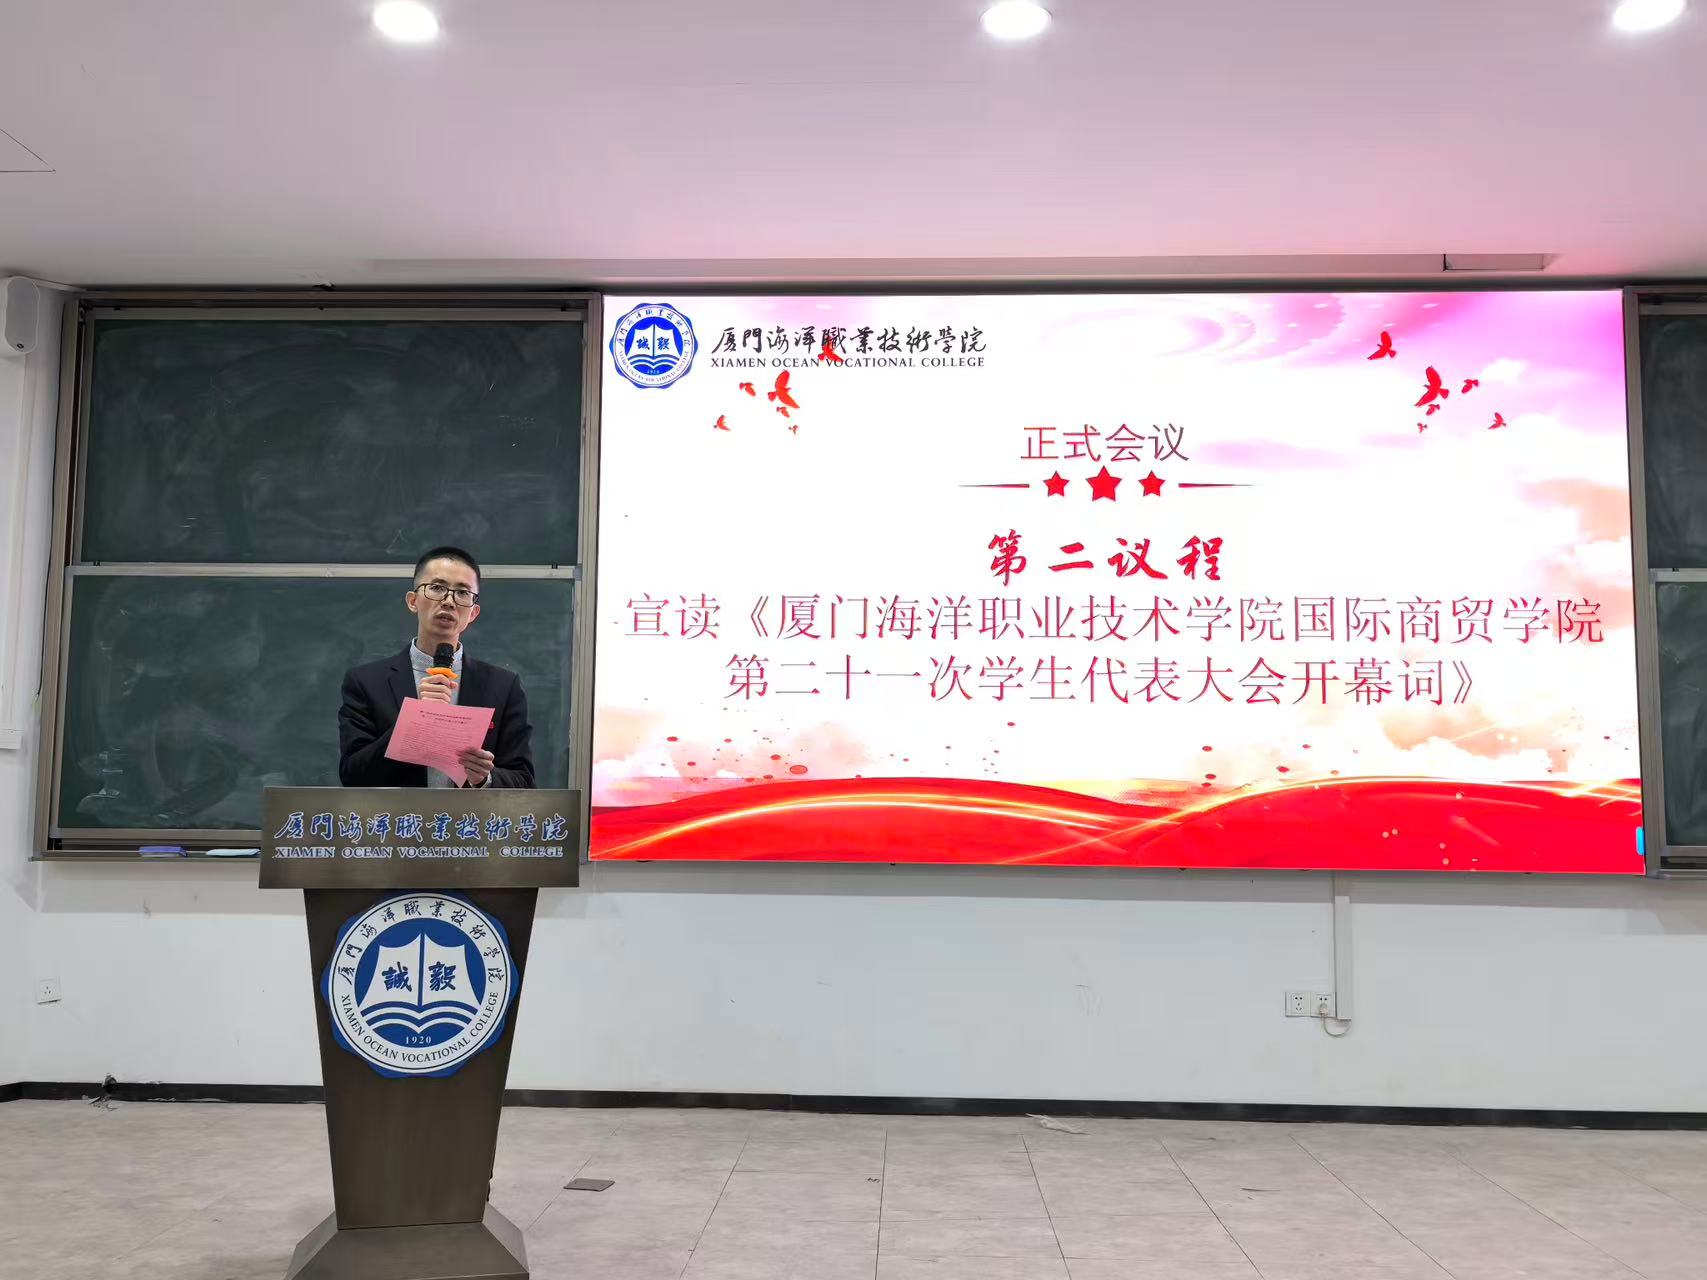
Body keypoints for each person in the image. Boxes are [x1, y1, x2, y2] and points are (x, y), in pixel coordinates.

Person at [338, 545, 535, 789]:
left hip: (471, 814)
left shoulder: (503, 686)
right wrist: (412, 723)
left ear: (473, 613)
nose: (449, 601)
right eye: (437, 588)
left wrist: (484, 779)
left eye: (462, 593)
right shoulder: (366, 682)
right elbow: (352, 775)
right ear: (413, 601)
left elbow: (524, 781)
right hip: (399, 814)